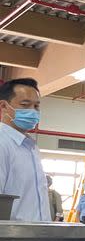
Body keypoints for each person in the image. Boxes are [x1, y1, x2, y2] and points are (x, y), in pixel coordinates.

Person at [0, 78, 49, 222]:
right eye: (25, 105)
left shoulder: (30, 147)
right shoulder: (3, 144)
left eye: (36, 106)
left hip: (36, 238)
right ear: (3, 106)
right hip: (11, 240)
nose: (32, 111)